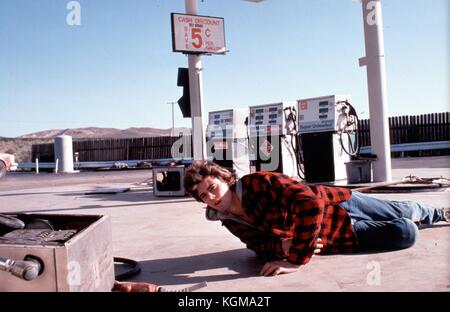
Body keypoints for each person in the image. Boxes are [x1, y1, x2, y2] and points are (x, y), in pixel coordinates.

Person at [184, 161, 449, 277]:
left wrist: (296, 258)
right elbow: (255, 246)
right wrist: (280, 248)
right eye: (204, 196)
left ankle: (438, 213)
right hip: (333, 236)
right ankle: (417, 223)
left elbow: (309, 204)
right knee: (406, 234)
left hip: (338, 203)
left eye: (213, 187)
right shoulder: (228, 219)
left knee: (403, 211)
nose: (211, 197)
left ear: (225, 179)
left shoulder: (260, 182)